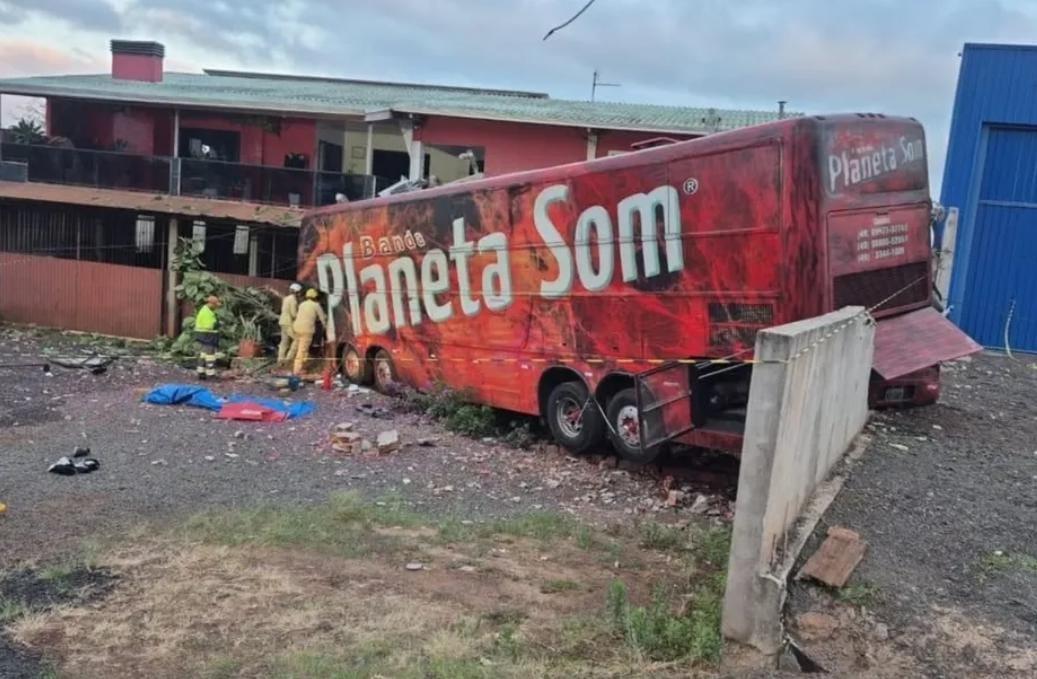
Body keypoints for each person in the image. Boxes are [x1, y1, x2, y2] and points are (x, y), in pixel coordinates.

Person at [292, 288, 328, 376]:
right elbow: (323, 318)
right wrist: (326, 327)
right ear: (315, 297)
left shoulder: (302, 304)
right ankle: (297, 370)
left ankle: (297, 365)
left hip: (296, 327)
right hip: (306, 329)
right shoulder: (316, 305)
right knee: (302, 350)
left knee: (299, 347)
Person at [194, 295, 221, 380]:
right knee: (210, 355)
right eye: (215, 305)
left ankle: (201, 372)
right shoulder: (206, 312)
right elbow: (209, 326)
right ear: (211, 304)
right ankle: (211, 374)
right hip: (208, 335)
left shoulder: (206, 310)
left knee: (203, 354)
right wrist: (218, 324)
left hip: (204, 335)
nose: (216, 307)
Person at [277, 283, 303, 363]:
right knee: (297, 339)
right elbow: (293, 314)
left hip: (282, 322)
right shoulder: (293, 300)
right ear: (296, 292)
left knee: (284, 342)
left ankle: (280, 359)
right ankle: (288, 359)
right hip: (288, 322)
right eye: (299, 292)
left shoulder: (286, 298)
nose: (300, 294)